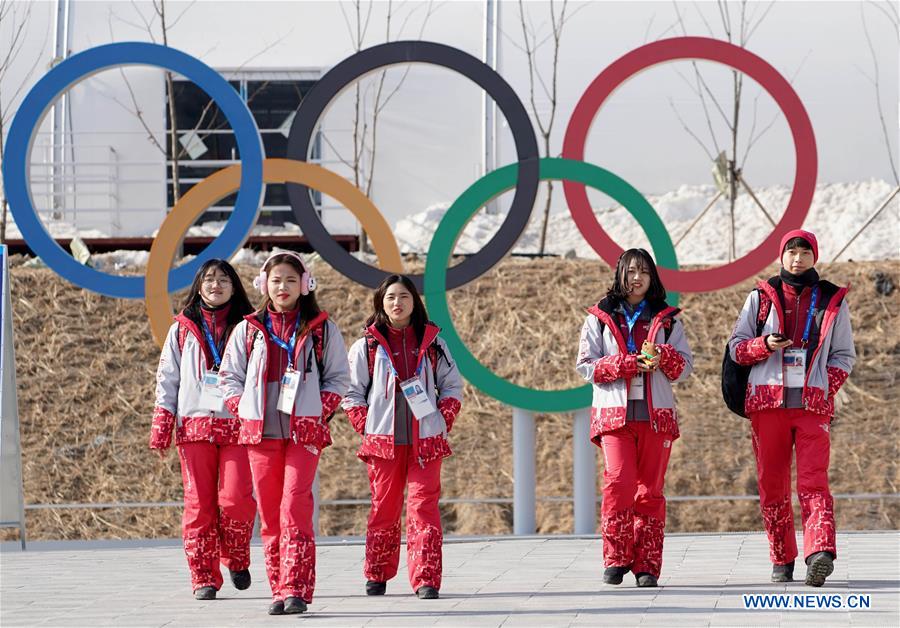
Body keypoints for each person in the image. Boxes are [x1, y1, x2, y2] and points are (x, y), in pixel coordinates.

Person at [219, 251, 350, 615]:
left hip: (303, 432)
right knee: (272, 513)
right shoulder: (248, 329)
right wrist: (242, 408)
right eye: (276, 280)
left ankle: (297, 588)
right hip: (261, 433)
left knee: (294, 506)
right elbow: (229, 376)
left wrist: (319, 410)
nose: (283, 287)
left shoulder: (322, 328)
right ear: (265, 285)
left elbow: (339, 377)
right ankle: (279, 589)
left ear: (305, 285)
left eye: (291, 280)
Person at [727, 229, 855, 587]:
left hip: (812, 406)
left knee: (814, 481)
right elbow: (737, 347)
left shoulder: (832, 300)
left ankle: (821, 552)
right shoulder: (760, 297)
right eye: (791, 252)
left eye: (804, 252)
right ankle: (781, 558)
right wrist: (765, 344)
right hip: (767, 403)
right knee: (772, 484)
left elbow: (844, 354)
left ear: (815, 256)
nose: (797, 259)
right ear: (781, 257)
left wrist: (824, 385)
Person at [576, 248, 693, 588]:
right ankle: (615, 558)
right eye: (630, 271)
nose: (636, 278)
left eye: (643, 271)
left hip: (656, 416)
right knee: (619, 483)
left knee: (651, 492)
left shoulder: (668, 319)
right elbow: (586, 365)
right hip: (615, 416)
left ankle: (647, 566)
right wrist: (626, 364)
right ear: (620, 275)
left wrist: (663, 357)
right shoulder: (599, 317)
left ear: (652, 277)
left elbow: (685, 367)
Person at [342, 274, 463, 600]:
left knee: (424, 508)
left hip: (426, 441)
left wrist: (443, 418)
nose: (398, 303)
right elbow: (351, 393)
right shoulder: (366, 345)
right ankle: (377, 573)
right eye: (391, 297)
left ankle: (426, 579)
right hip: (383, 443)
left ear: (415, 302)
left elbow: (452, 386)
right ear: (381, 302)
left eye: (404, 297)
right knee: (384, 508)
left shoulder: (435, 342)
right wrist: (365, 424)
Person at [150, 259, 256, 600]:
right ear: (198, 286)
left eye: (223, 279)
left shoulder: (250, 326)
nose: (216, 284)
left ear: (234, 286)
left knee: (237, 499)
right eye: (209, 279)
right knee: (199, 505)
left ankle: (236, 557)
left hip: (238, 425)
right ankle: (203, 577)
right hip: (194, 426)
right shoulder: (181, 328)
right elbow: (167, 378)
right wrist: (163, 422)